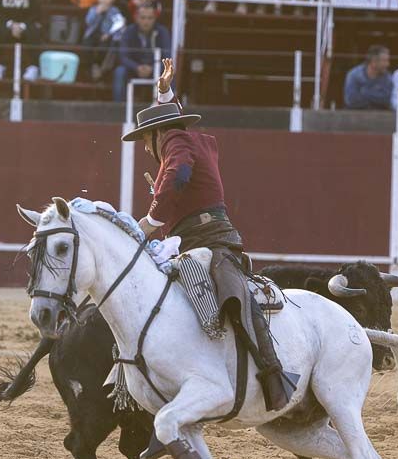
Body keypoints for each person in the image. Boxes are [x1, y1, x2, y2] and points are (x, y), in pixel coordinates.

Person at [126, 58, 296, 412]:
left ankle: (272, 373)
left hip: (210, 238)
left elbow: (177, 173)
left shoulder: (175, 140)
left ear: (158, 134)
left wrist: (151, 220)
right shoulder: (177, 135)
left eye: (145, 139)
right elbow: (172, 130)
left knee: (234, 295)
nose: (145, 149)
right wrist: (164, 92)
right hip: (186, 241)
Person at [114, 1, 169, 101]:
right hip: (134, 68)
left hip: (155, 69)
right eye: (143, 18)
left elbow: (168, 57)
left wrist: (152, 68)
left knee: (169, 73)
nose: (146, 22)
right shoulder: (128, 31)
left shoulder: (162, 32)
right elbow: (123, 56)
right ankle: (119, 108)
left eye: (150, 18)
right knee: (120, 71)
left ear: (155, 18)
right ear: (136, 18)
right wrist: (136, 67)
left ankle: (167, 108)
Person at [82, 0, 125, 80]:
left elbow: (119, 25)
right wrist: (97, 12)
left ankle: (98, 65)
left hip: (107, 37)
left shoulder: (114, 11)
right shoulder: (94, 9)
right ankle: (90, 67)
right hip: (93, 35)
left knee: (104, 47)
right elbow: (88, 21)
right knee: (87, 44)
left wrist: (109, 34)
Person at [343, 45, 393, 109]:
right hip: (355, 114)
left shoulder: (387, 77)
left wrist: (365, 92)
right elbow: (351, 100)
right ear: (374, 61)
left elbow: (387, 100)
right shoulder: (354, 75)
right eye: (384, 61)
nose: (388, 64)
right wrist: (376, 98)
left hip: (379, 115)